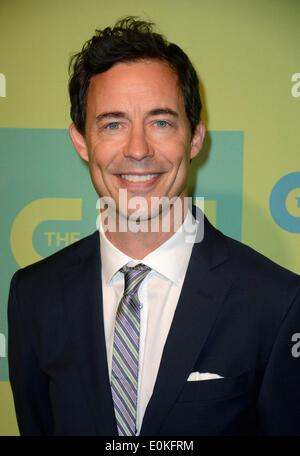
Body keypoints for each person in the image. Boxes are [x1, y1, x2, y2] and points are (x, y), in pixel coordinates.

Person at [8, 17, 300, 436]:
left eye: (161, 122)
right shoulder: (32, 296)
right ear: (81, 141)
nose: (139, 149)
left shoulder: (277, 302)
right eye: (113, 124)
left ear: (195, 137)